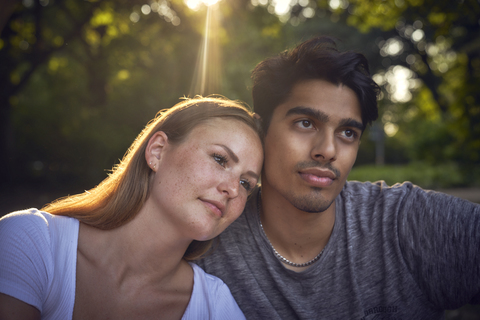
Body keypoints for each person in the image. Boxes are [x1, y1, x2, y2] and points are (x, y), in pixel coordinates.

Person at [197, 37, 480, 319]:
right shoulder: (208, 234)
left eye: (347, 133)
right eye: (305, 123)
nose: (328, 151)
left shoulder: (404, 223)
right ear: (261, 130)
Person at [0, 96, 263, 320]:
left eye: (246, 183)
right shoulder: (32, 241)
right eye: (220, 159)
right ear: (158, 151)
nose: (233, 189)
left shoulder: (216, 308)